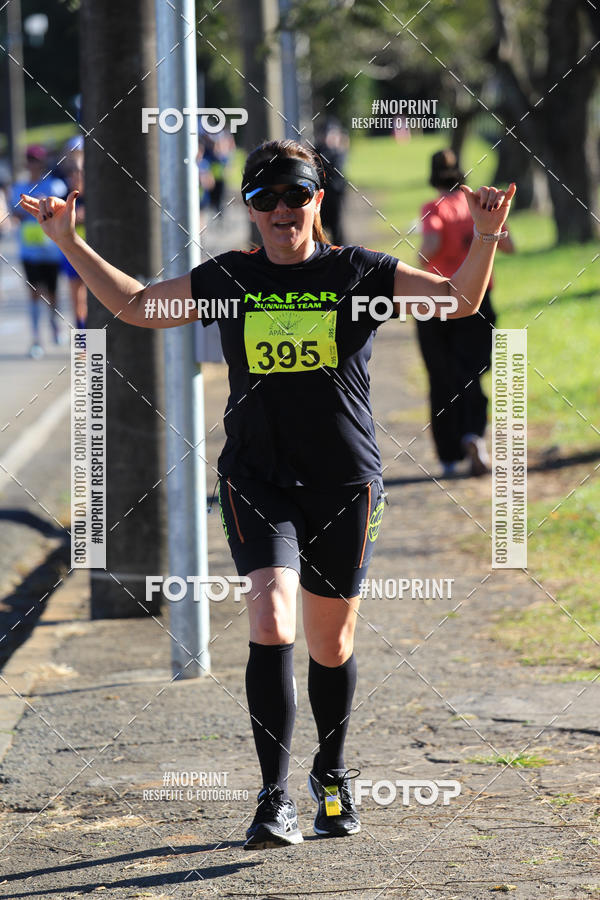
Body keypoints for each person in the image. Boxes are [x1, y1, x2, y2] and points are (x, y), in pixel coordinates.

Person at [19, 138, 515, 850]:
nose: (282, 210)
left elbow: (458, 299)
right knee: (270, 617)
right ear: (250, 209)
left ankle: (333, 774)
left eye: (295, 195)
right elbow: (132, 306)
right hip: (257, 477)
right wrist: (68, 238)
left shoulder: (359, 272)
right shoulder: (228, 277)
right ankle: (272, 797)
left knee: (331, 642)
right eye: (264, 199)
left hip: (345, 481)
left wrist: (489, 231)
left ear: (318, 199)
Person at [417, 149, 515, 477]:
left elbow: (430, 246)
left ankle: (448, 454)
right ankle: (474, 435)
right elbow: (508, 244)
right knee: (472, 372)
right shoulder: (474, 207)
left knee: (441, 376)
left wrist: (419, 260)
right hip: (478, 297)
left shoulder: (434, 208)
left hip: (436, 299)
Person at [11, 145, 67, 357]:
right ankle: (36, 339)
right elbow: (13, 212)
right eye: (30, 160)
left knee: (52, 293)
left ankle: (55, 325)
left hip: (51, 251)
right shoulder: (19, 188)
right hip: (29, 252)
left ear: (42, 163)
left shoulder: (55, 185)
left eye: (37, 160)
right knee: (34, 293)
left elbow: (60, 207)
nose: (33, 164)